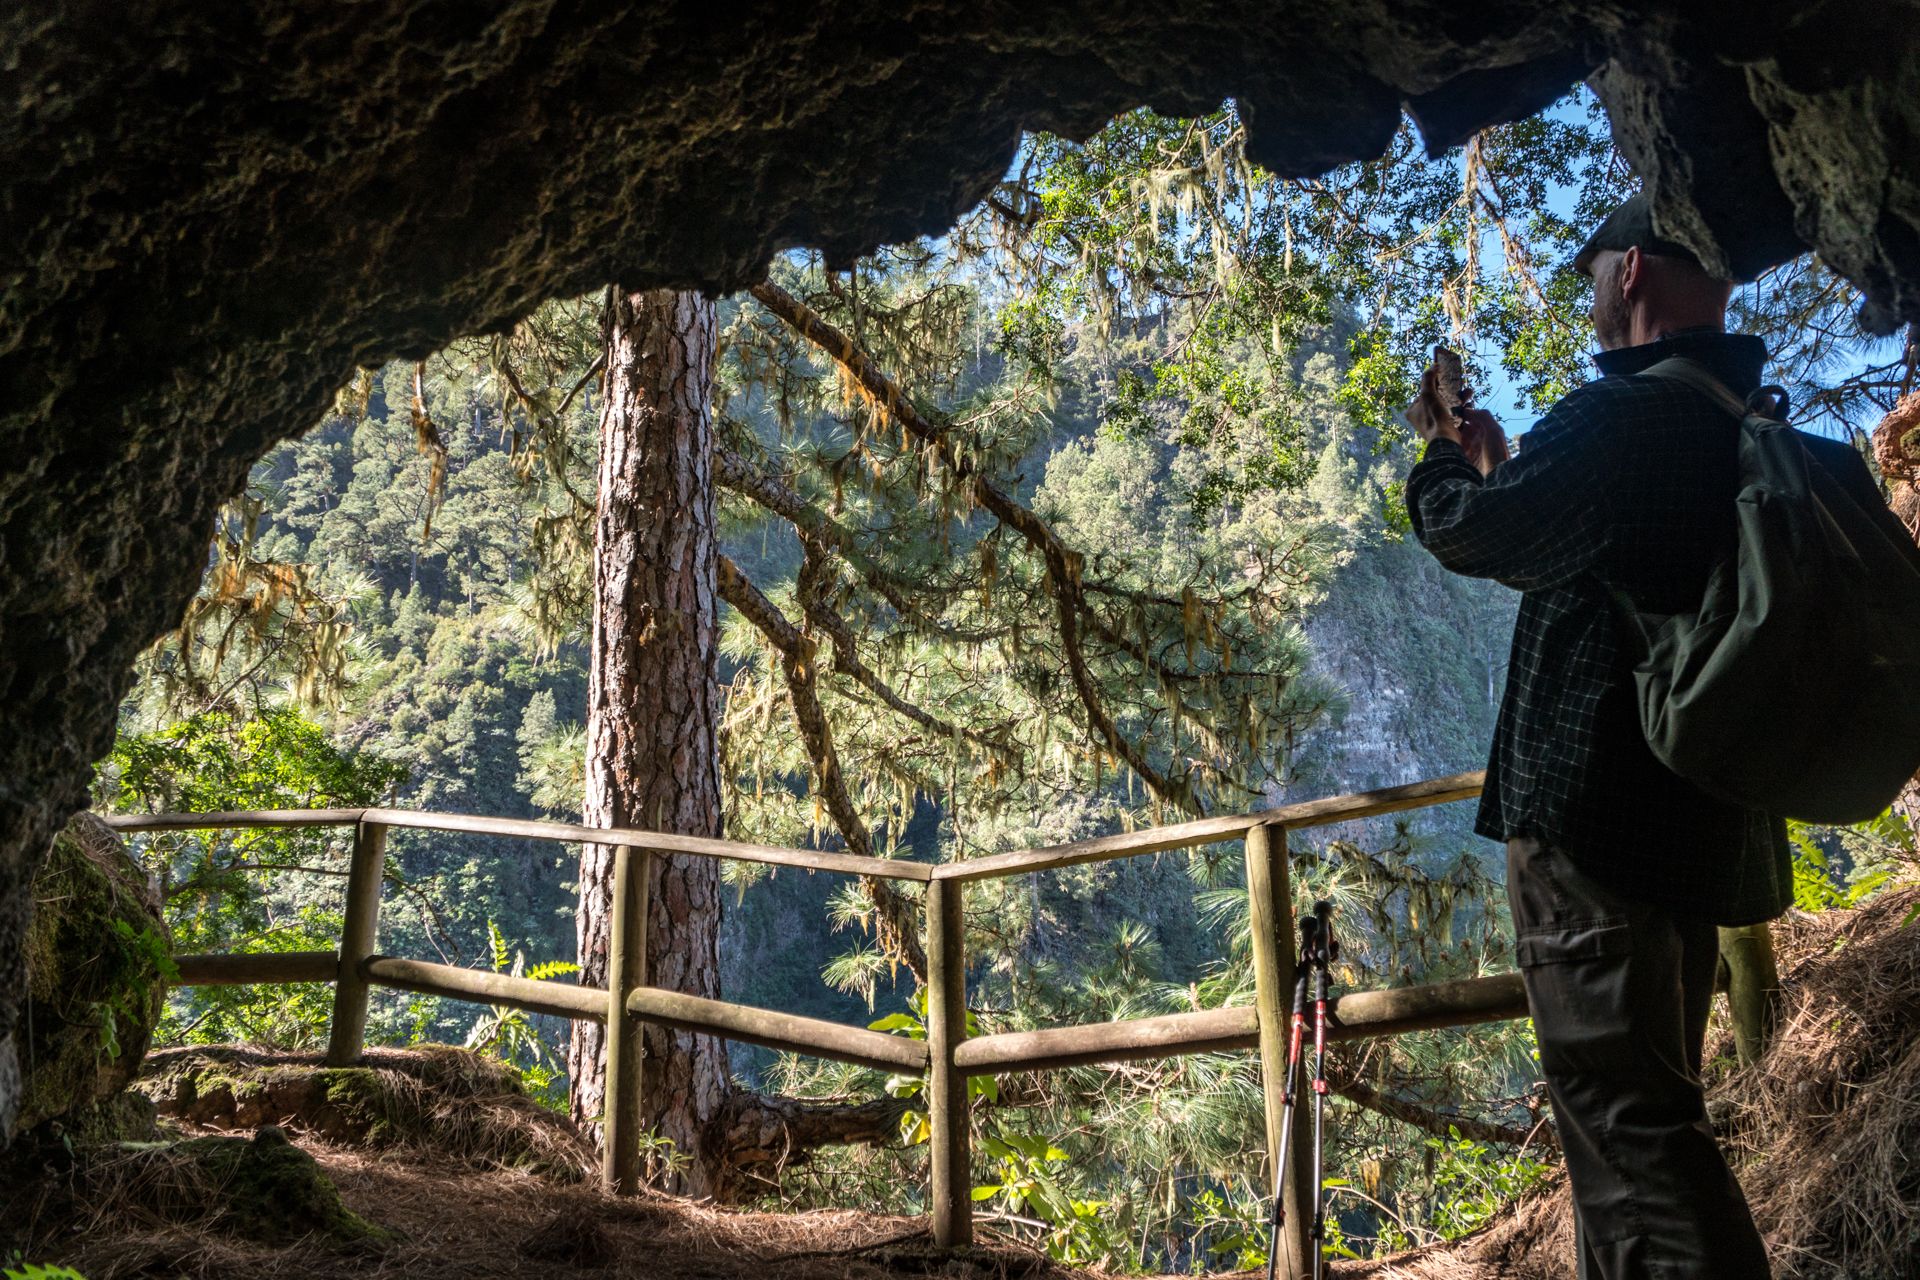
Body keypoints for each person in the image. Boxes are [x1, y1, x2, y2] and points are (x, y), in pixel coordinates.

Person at [1402, 194, 1886, 1279]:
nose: (1586, 291)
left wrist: (1443, 460)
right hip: (1696, 828)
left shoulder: (1622, 418)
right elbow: (1588, 547)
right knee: (1655, 1123)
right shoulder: (1735, 417)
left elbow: (1475, 531)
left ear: (1630, 274)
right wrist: (1510, 466)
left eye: (1592, 270)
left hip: (1596, 825)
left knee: (1630, 1133)